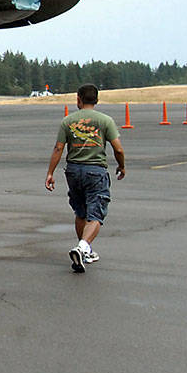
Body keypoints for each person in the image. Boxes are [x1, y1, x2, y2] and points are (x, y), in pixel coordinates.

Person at [45, 83, 126, 273]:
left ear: (79, 99)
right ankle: (83, 247)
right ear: (96, 100)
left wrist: (50, 173)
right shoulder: (105, 121)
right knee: (96, 213)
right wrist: (121, 166)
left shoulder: (68, 121)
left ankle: (84, 250)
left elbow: (58, 148)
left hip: (73, 170)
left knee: (80, 211)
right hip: (95, 170)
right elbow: (118, 148)